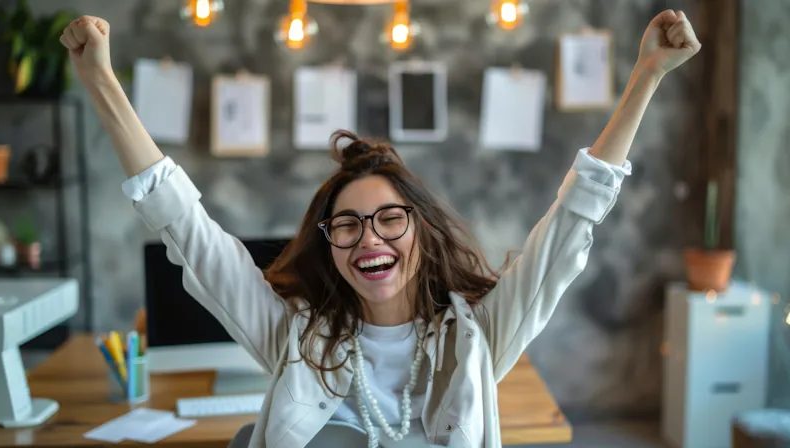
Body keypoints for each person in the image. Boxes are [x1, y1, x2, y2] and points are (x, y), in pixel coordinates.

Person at [60, 9, 700, 448]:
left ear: (419, 231)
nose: (369, 238)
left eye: (390, 219)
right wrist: (101, 82)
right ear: (329, 244)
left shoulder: (477, 337)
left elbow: (570, 227)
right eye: (347, 225)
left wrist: (645, 76)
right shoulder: (294, 338)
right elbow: (187, 228)